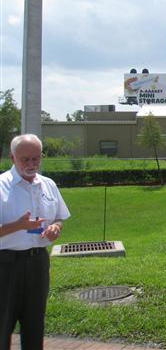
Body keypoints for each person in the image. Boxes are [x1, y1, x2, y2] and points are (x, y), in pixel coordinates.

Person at [0, 134, 70, 350]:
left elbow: (59, 217)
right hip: (5, 265)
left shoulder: (47, 184)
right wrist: (18, 225)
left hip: (37, 263)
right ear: (12, 158)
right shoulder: (1, 186)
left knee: (34, 324)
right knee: (3, 323)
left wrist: (55, 227)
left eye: (36, 158)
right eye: (25, 159)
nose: (31, 164)